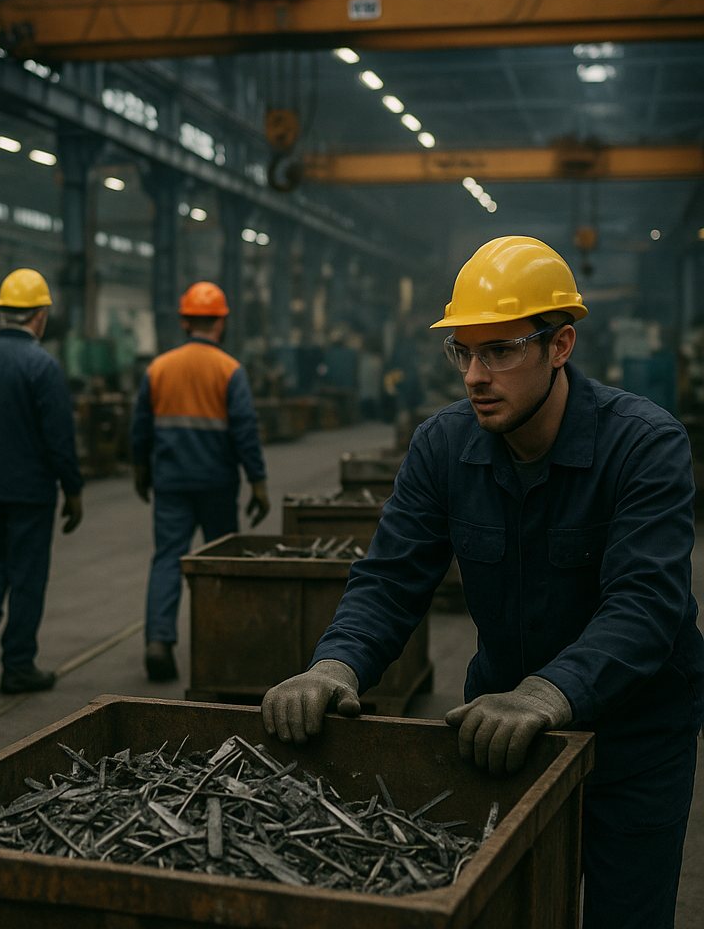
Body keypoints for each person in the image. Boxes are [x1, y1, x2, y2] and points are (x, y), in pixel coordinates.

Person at [262, 236, 704, 929]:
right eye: (463, 351)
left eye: (500, 350)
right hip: (502, 734)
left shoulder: (644, 445)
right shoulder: (443, 446)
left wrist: (547, 692)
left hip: (634, 738)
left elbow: (646, 605)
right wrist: (334, 666)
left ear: (560, 346)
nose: (474, 374)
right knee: (507, 907)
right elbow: (390, 576)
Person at [0, 268, 83, 695]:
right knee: (27, 574)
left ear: (2, 313)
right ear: (40, 316)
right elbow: (59, 438)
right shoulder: (42, 366)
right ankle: (19, 664)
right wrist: (73, 489)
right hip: (29, 492)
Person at [131, 281, 270, 682]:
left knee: (167, 558)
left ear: (184, 321)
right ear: (221, 324)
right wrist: (257, 481)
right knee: (219, 564)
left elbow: (140, 428)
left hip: (171, 481)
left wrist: (142, 471)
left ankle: (159, 641)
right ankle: (222, 644)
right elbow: (244, 431)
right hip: (216, 483)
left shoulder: (159, 368)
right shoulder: (230, 370)